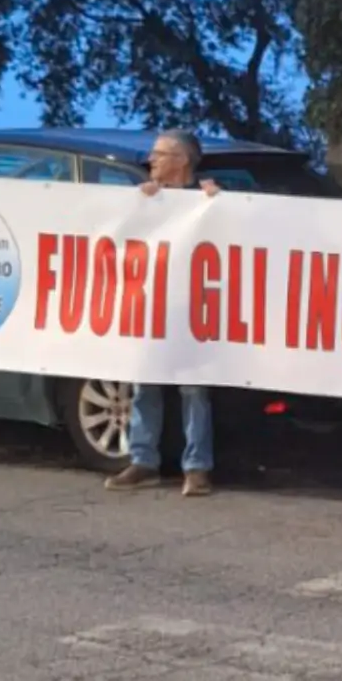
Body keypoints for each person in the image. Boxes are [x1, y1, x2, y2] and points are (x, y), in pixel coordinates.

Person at [104, 130, 222, 498]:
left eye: (160, 154)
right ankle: (143, 461)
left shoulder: (207, 197)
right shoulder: (146, 197)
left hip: (194, 309)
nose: (151, 160)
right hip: (151, 307)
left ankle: (197, 467)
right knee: (145, 383)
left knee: (194, 389)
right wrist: (138, 205)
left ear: (182, 160)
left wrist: (218, 202)